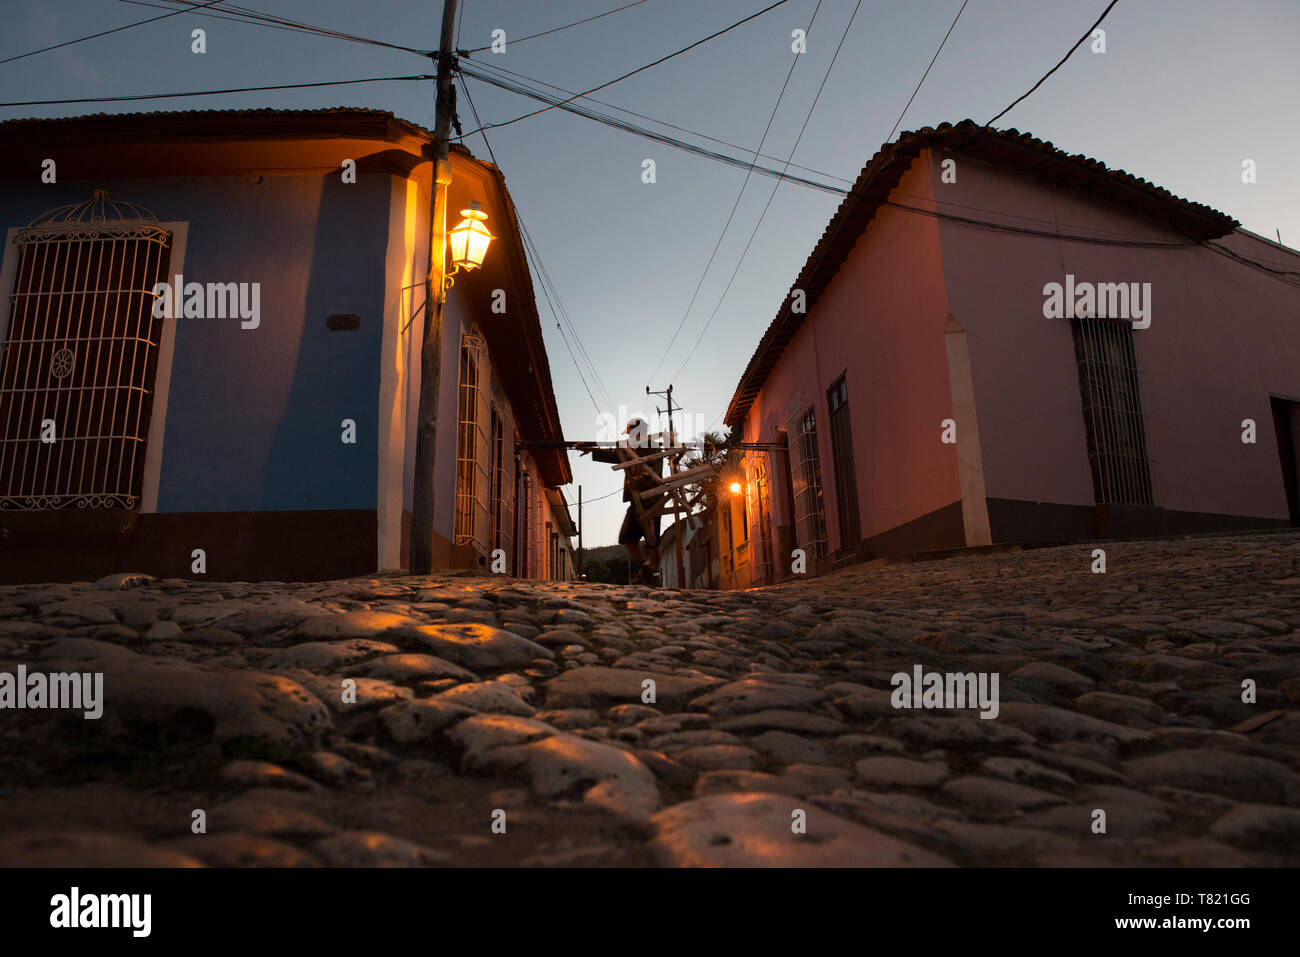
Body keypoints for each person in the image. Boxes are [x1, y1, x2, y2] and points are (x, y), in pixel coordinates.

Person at [578, 417, 664, 584]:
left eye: (631, 432)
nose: (629, 435)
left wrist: (640, 482)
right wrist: (593, 450)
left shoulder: (652, 446)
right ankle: (646, 569)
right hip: (636, 500)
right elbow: (614, 456)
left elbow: (655, 471)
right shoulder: (630, 448)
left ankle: (654, 577)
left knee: (653, 542)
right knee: (627, 537)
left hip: (651, 500)